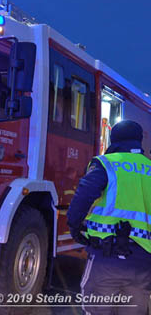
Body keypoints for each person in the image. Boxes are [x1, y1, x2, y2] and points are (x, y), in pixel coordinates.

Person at [67, 120, 151, 315]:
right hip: (143, 266)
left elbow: (83, 195)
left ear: (115, 140)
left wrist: (74, 225)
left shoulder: (107, 164)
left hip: (107, 260)